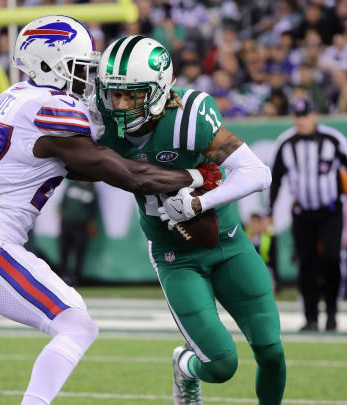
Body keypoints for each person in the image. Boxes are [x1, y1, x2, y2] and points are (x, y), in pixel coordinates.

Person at [0, 16, 221, 405]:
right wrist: (189, 176)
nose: (86, 78)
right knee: (76, 326)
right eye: (78, 67)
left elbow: (79, 166)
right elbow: (122, 173)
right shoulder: (50, 108)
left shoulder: (15, 98)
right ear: (47, 65)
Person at [94, 35, 284, 405]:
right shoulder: (100, 126)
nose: (119, 105)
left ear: (159, 90)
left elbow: (257, 172)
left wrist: (201, 203)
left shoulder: (187, 118)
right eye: (113, 94)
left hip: (228, 242)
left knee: (271, 350)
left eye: (131, 94)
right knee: (220, 365)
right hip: (173, 255)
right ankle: (184, 366)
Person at [269, 98, 347, 332]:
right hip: (302, 213)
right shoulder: (286, 143)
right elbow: (275, 179)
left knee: (332, 259)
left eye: (305, 116)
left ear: (314, 116)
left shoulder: (333, 139)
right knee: (306, 264)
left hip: (331, 211)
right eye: (297, 117)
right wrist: (270, 210)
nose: (301, 121)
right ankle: (311, 317)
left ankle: (332, 313)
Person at [58, 180, 98, 286]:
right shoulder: (72, 184)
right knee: (64, 250)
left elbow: (94, 211)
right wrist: (62, 219)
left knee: (79, 252)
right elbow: (62, 204)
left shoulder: (92, 190)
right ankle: (62, 275)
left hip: (82, 226)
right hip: (67, 223)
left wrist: (92, 226)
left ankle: (75, 278)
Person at [245, 213, 282, 292]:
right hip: (247, 270)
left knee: (268, 272)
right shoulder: (243, 238)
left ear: (260, 224)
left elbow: (274, 263)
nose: (253, 225)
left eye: (256, 222)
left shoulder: (269, 239)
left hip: (264, 269)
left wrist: (277, 281)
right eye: (251, 222)